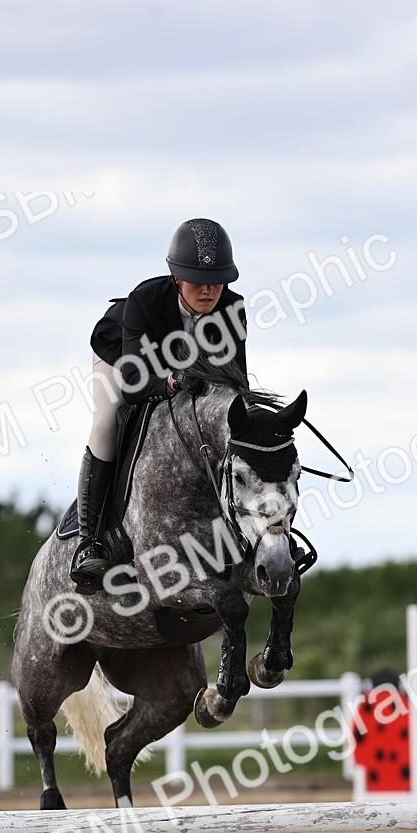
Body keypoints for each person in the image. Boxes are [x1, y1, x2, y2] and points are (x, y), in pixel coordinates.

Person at [70, 217, 248, 591]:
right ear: (176, 279)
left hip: (180, 370)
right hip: (122, 357)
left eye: (218, 280)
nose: (209, 290)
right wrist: (171, 381)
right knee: (107, 421)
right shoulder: (144, 301)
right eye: (198, 281)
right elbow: (134, 387)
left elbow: (236, 387)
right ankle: (90, 543)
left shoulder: (232, 308)